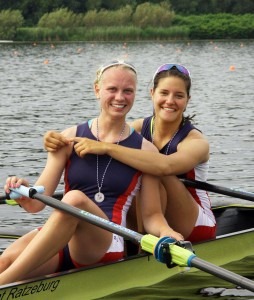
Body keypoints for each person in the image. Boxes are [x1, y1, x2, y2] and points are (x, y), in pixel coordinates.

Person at [0, 61, 183, 285]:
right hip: (62, 239)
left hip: (105, 242)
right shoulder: (68, 137)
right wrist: (20, 190)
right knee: (3, 262)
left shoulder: (145, 151)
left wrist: (168, 233)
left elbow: (152, 216)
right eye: (112, 89)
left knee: (74, 198)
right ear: (97, 90)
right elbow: (36, 204)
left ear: (136, 94)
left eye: (128, 91)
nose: (120, 97)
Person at [44, 63, 216, 243]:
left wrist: (107, 148)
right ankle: (120, 237)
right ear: (152, 93)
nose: (170, 101)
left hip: (197, 224)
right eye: (164, 93)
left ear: (188, 100)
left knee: (151, 168)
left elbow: (166, 166)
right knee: (131, 166)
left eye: (179, 96)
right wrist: (55, 139)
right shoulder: (138, 128)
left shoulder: (196, 141)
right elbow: (106, 135)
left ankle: (140, 245)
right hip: (156, 215)